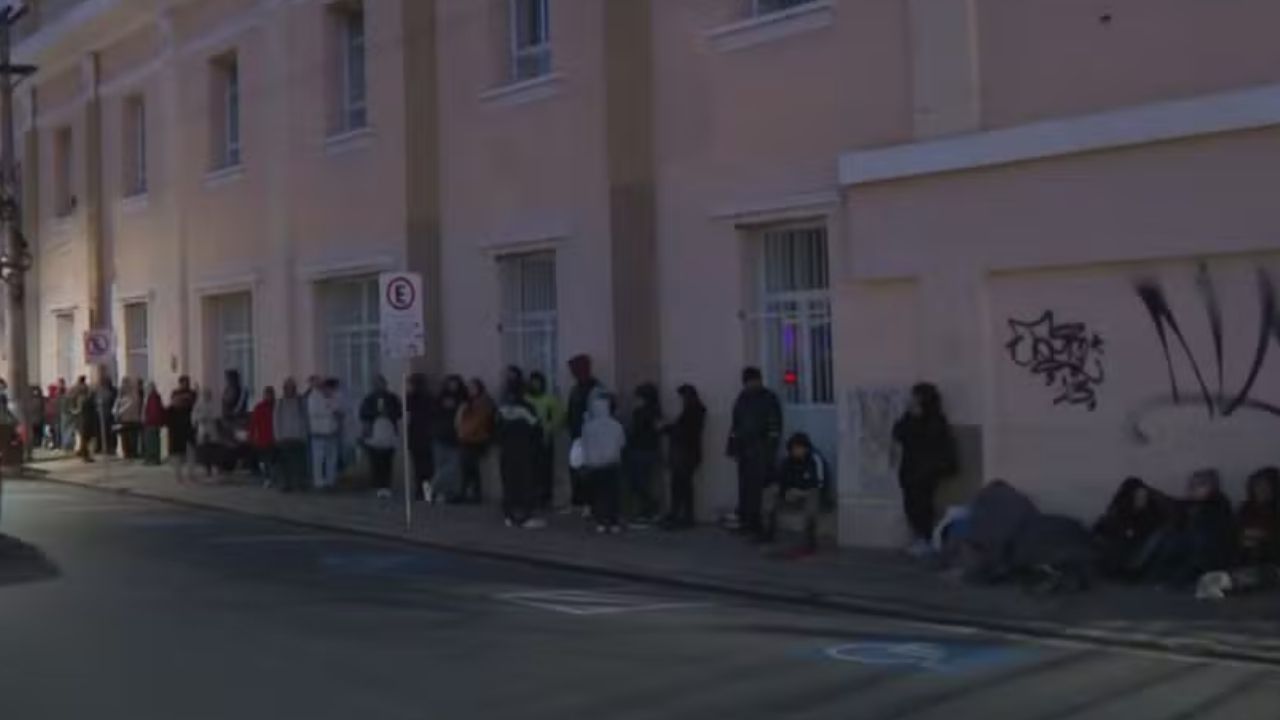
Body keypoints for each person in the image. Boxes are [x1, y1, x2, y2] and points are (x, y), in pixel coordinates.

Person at [892, 382, 959, 556]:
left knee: (923, 505)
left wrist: (916, 420)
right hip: (910, 469)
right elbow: (899, 434)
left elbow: (930, 442)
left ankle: (926, 539)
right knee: (911, 504)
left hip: (926, 471)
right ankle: (919, 538)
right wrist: (910, 417)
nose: (912, 400)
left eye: (915, 396)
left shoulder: (935, 419)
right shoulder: (910, 416)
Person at [1148, 469, 1237, 587]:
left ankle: (1177, 580)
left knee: (1196, 542)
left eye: (1201, 485)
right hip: (1192, 547)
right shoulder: (1191, 505)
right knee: (1169, 539)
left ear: (1213, 487)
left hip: (1211, 551)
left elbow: (1214, 533)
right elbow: (1174, 506)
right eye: (1192, 485)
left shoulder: (1218, 504)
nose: (1194, 489)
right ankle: (1156, 575)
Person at [726, 367, 782, 538]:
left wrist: (770, 449)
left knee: (760, 490)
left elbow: (775, 427)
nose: (750, 384)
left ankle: (760, 526)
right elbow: (735, 424)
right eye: (747, 382)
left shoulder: (769, 398)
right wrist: (733, 447)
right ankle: (747, 521)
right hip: (745, 451)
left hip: (761, 451)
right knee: (745, 488)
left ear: (759, 380)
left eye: (753, 381)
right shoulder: (742, 398)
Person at [760, 433, 831, 557]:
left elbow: (820, 485)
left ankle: (809, 540)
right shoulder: (787, 462)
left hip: (812, 494)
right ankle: (768, 531)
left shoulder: (815, 460)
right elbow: (780, 480)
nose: (796, 451)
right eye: (794, 448)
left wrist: (802, 492)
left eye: (799, 448)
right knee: (770, 491)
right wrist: (786, 492)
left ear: (806, 448)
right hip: (793, 495)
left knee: (812, 497)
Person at [1092, 477, 1167, 580]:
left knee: (1129, 543)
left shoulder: (1152, 505)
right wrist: (1127, 529)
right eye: (1138, 495)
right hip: (1125, 529)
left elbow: (1152, 522)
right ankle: (1114, 569)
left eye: (1143, 495)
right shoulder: (1123, 502)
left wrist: (1133, 530)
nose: (1141, 498)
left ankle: (1127, 570)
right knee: (1116, 539)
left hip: (1142, 530)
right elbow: (1116, 516)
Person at [496, 376, 545, 529]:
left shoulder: (502, 408)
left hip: (506, 450)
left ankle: (509, 515)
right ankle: (525, 516)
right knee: (525, 483)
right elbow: (537, 428)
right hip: (524, 450)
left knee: (509, 483)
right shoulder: (526, 408)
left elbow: (496, 430)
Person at [580, 393, 627, 534]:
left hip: (595, 465)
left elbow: (585, 445)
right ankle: (613, 522)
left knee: (598, 494)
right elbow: (622, 443)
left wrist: (587, 462)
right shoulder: (616, 425)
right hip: (612, 463)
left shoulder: (588, 427)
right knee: (613, 494)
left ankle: (601, 521)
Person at [662, 384, 706, 530]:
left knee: (681, 485)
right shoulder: (695, 410)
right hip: (688, 453)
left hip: (685, 454)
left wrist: (666, 428)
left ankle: (681, 515)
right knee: (684, 486)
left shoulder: (692, 411)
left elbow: (684, 432)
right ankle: (684, 515)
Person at [566, 355, 605, 516]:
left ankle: (591, 503)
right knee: (576, 470)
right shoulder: (576, 388)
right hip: (577, 435)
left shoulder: (595, 388)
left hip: (591, 435)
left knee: (589, 472)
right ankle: (579, 501)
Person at [360, 376, 404, 500]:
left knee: (387, 460)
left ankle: (386, 485)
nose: (379, 386)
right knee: (375, 460)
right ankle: (377, 485)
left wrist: (389, 413)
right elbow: (363, 414)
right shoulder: (369, 399)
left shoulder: (392, 398)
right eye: (376, 384)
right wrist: (375, 415)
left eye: (381, 383)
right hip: (374, 432)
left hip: (389, 431)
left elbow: (399, 412)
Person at [625, 383, 663, 524]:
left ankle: (649, 509)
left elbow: (635, 431)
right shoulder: (656, 412)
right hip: (649, 449)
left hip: (640, 450)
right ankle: (648, 509)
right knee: (643, 482)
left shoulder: (641, 412)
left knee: (639, 482)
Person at [525, 371, 563, 510]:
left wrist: (548, 428)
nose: (535, 384)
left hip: (545, 438)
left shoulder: (549, 399)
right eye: (533, 381)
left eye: (538, 382)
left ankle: (546, 498)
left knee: (545, 470)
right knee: (531, 470)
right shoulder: (526, 398)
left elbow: (558, 417)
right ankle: (533, 497)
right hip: (529, 439)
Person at [455, 379, 495, 504]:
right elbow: (460, 420)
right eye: (469, 388)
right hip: (466, 438)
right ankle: (467, 493)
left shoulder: (483, 403)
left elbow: (479, 421)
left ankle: (472, 494)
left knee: (472, 468)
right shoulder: (468, 403)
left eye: (473, 388)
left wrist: (465, 432)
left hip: (476, 439)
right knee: (467, 468)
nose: (470, 390)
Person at [431, 375, 468, 503]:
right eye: (451, 383)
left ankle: (438, 489)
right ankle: (440, 492)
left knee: (453, 467)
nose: (453, 386)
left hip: (455, 437)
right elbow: (434, 413)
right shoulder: (440, 398)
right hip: (440, 435)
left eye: (455, 384)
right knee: (441, 465)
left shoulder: (463, 399)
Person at [1236, 467, 1280, 567]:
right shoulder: (1245, 509)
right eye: (1257, 486)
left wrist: (1264, 537)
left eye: (1265, 486)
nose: (1261, 490)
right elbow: (1233, 534)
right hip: (1246, 564)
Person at [273, 379, 310, 493]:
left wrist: (305, 434)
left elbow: (306, 419)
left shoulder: (300, 401)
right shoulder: (280, 402)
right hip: (284, 437)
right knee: (284, 463)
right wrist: (277, 436)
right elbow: (276, 420)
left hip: (298, 437)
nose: (289, 390)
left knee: (298, 464)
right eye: (287, 387)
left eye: (292, 387)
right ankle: (285, 484)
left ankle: (298, 484)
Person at [405, 374, 436, 502]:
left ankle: (423, 492)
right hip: (421, 437)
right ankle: (423, 492)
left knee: (423, 468)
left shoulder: (421, 398)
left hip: (421, 436)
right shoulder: (418, 398)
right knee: (423, 468)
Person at [307, 378, 342, 491]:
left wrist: (335, 413)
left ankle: (330, 481)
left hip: (332, 432)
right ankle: (318, 482)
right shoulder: (314, 397)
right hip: (318, 432)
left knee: (331, 458)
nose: (330, 391)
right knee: (318, 458)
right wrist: (331, 411)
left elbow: (339, 410)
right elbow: (315, 412)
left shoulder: (334, 397)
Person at [168, 377, 197, 482]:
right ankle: (179, 475)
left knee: (190, 451)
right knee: (178, 453)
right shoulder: (176, 393)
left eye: (186, 383)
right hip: (178, 427)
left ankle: (191, 474)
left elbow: (193, 404)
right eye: (183, 383)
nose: (185, 385)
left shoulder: (191, 394)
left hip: (188, 426)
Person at [221, 370, 250, 472]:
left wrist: (233, 413)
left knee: (239, 442)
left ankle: (242, 463)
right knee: (229, 444)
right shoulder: (227, 390)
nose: (228, 380)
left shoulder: (241, 391)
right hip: (228, 421)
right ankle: (229, 465)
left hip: (238, 421)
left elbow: (239, 406)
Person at [248, 386, 277, 486]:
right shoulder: (259, 407)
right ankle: (267, 477)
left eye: (270, 394)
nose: (268, 396)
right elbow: (253, 423)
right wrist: (251, 436)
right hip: (262, 438)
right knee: (263, 461)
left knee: (271, 460)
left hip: (273, 437)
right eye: (267, 394)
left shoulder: (276, 406)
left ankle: (271, 477)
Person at [193, 387, 222, 478]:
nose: (207, 396)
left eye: (208, 394)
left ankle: (217, 466)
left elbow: (218, 415)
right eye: (205, 394)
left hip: (212, 429)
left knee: (213, 450)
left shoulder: (214, 404)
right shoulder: (199, 404)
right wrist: (199, 419)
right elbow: (194, 415)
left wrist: (211, 417)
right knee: (205, 451)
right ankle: (207, 468)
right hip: (203, 429)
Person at [113, 377, 142, 460]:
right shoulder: (122, 395)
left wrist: (119, 412)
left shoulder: (131, 394)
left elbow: (130, 405)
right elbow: (116, 405)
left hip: (130, 419)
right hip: (125, 419)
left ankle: (131, 453)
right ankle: (128, 453)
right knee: (126, 437)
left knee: (130, 437)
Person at [70, 377, 96, 462]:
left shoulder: (79, 396)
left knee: (83, 438)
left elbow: (78, 409)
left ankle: (84, 454)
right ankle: (85, 455)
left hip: (82, 420)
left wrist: (73, 411)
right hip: (87, 420)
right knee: (85, 438)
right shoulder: (87, 397)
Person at [142, 383, 166, 466]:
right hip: (154, 422)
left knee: (151, 442)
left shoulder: (153, 398)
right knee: (154, 441)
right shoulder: (155, 397)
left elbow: (153, 411)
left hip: (151, 422)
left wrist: (147, 420)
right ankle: (154, 458)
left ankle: (152, 458)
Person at [96, 375, 118, 456]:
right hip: (105, 415)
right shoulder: (102, 391)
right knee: (107, 432)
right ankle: (107, 447)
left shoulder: (107, 391)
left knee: (109, 432)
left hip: (108, 415)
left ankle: (110, 447)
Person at [25, 386, 44, 461]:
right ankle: (37, 443)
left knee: (37, 431)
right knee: (36, 431)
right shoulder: (40, 399)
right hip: (36, 418)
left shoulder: (32, 400)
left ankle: (37, 443)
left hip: (36, 418)